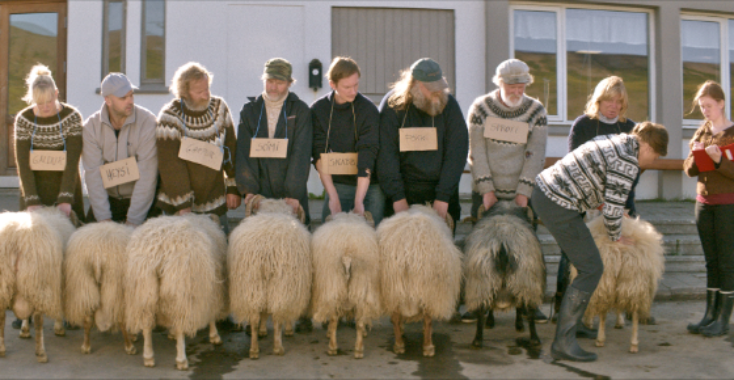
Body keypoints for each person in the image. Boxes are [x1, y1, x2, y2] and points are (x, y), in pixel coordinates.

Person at [533, 121, 668, 362]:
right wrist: (618, 236)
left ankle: (575, 327)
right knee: (592, 267)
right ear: (647, 147)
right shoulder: (628, 162)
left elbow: (591, 175)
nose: (654, 160)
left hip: (546, 190)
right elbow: (615, 211)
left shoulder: (615, 141)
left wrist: (605, 205)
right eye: (656, 155)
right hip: (558, 203)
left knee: (587, 264)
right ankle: (563, 342)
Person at [464, 58, 548, 323]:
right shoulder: (480, 107)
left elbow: (535, 155)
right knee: (480, 250)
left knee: (528, 251)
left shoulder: (536, 111)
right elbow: (477, 151)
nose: (517, 91)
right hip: (487, 190)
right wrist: (487, 188)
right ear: (499, 83)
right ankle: (477, 302)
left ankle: (529, 302)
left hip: (521, 191)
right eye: (512, 85)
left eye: (522, 85)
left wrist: (524, 190)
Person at [555, 76, 642, 326]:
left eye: (618, 102)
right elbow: (575, 164)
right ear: (598, 100)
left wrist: (616, 200)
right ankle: (564, 306)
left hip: (622, 201)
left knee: (625, 254)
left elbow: (635, 170)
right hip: (585, 202)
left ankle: (628, 306)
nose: (613, 106)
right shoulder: (583, 125)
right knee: (571, 255)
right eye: (608, 101)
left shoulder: (630, 129)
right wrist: (600, 199)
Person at [236, 58, 312, 332]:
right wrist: (250, 191)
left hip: (289, 195)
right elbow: (243, 152)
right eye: (269, 80)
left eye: (279, 81)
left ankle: (291, 312)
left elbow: (302, 153)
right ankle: (255, 312)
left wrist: (292, 195)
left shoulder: (300, 111)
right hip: (260, 193)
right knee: (256, 259)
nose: (273, 86)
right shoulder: (249, 110)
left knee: (290, 259)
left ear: (289, 84)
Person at [12, 64, 85, 329]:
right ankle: (29, 310)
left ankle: (66, 310)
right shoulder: (23, 120)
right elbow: (22, 163)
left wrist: (66, 199)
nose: (45, 107)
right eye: (39, 102)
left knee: (68, 253)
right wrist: (32, 201)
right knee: (33, 255)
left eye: (50, 101)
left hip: (64, 192)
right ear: (32, 98)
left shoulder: (71, 117)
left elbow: (72, 161)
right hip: (34, 195)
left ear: (57, 93)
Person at [377, 58, 468, 226]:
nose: (438, 93)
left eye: (439, 87)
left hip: (441, 193)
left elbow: (457, 152)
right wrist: (397, 197)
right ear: (415, 84)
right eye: (431, 89)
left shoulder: (450, 106)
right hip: (403, 192)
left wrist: (443, 196)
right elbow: (385, 154)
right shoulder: (393, 106)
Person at [155, 62, 240, 220]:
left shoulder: (219, 108)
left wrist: (233, 187)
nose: (206, 95)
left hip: (214, 202)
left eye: (207, 88)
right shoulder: (170, 117)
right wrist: (183, 204)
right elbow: (170, 165)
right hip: (179, 206)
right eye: (199, 91)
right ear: (184, 92)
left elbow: (231, 149)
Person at [683, 80, 734, 337]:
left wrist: (719, 160)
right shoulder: (702, 131)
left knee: (726, 263)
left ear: (722, 103)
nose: (705, 111)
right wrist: (695, 154)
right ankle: (709, 316)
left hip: (728, 206)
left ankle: (723, 320)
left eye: (709, 106)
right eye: (702, 106)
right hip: (703, 205)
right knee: (711, 262)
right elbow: (689, 169)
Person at [311, 57, 384, 224]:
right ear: (332, 84)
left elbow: (367, 153)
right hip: (339, 184)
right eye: (347, 87)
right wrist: (332, 197)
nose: (353, 91)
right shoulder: (318, 110)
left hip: (370, 186)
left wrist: (359, 201)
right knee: (330, 235)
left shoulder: (368, 110)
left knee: (370, 238)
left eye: (356, 85)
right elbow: (319, 155)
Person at [83, 73, 159, 225]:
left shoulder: (148, 123)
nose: (130, 101)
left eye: (131, 95)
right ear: (108, 100)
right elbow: (93, 176)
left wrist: (133, 221)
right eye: (123, 98)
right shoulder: (91, 127)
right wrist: (104, 219)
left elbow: (147, 175)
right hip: (108, 200)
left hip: (142, 202)